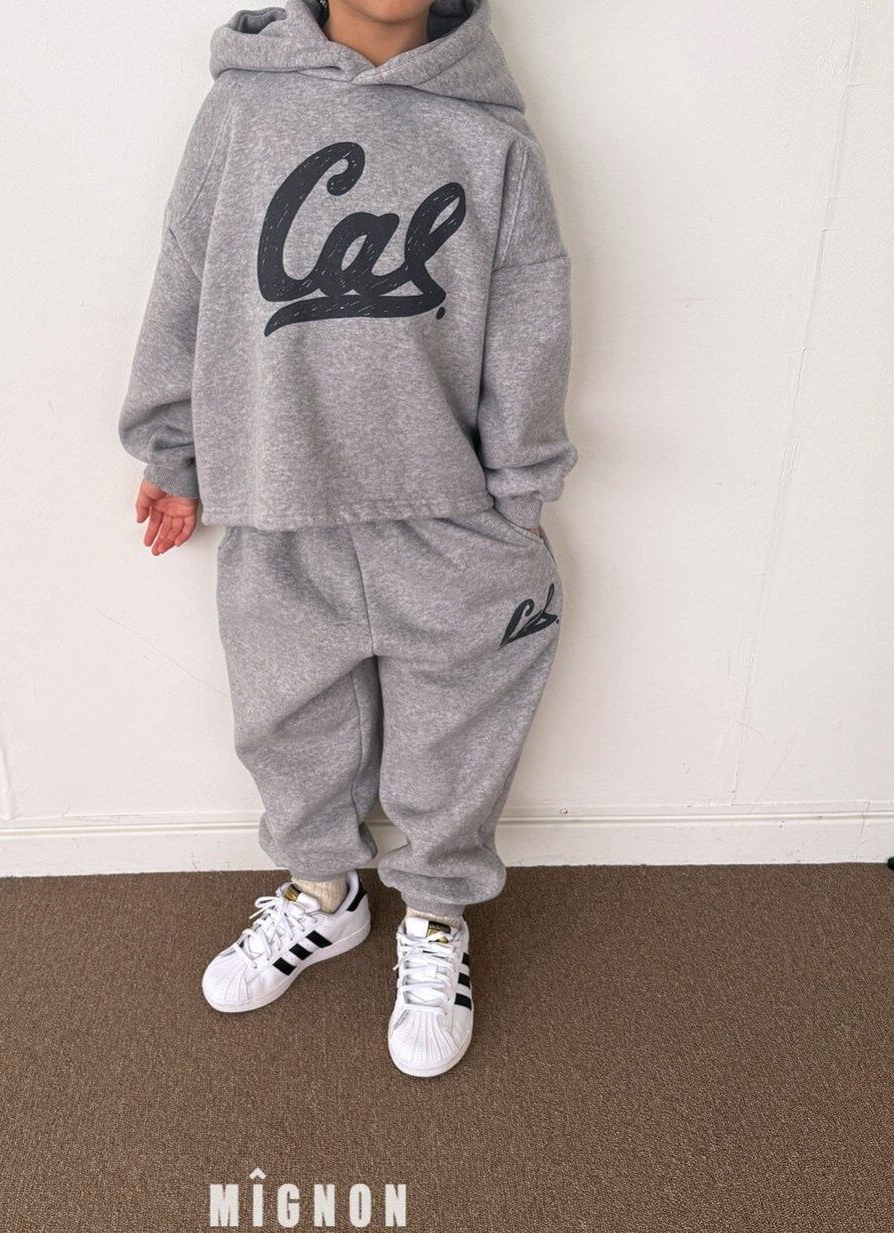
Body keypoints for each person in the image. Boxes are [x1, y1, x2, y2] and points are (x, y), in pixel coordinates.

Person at [118, 0, 574, 1077]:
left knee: (458, 725)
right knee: (285, 717)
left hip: (442, 500)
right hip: (277, 487)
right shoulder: (242, 110)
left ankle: (434, 915)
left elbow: (530, 318)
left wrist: (520, 489)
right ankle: (323, 896)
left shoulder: (490, 137)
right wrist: (172, 450)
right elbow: (186, 276)